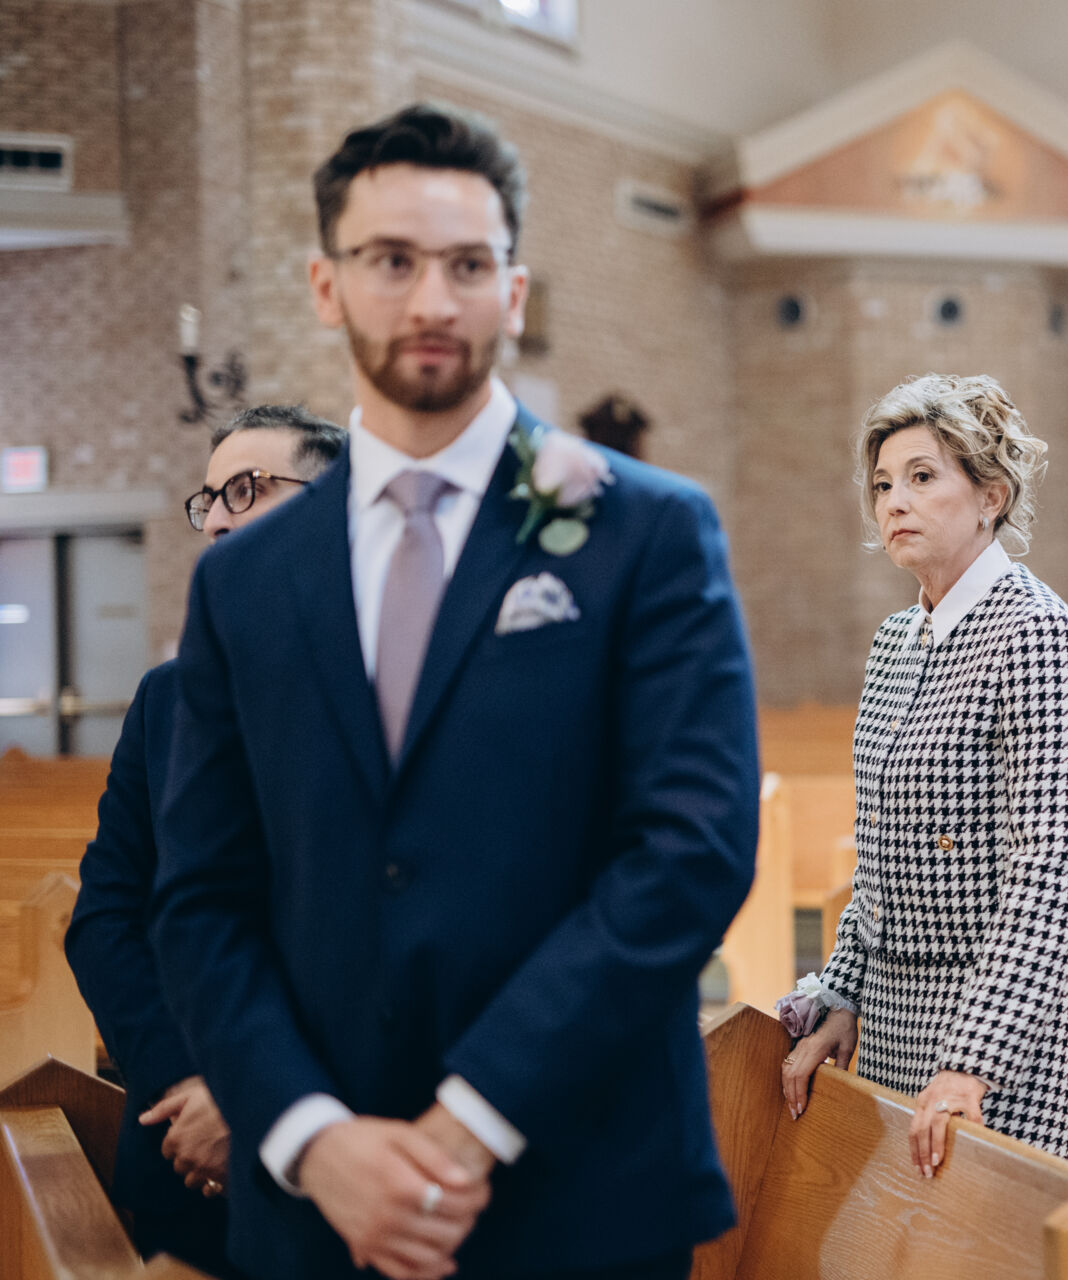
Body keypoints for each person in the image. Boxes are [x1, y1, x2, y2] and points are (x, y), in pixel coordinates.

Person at [149, 102, 758, 1280]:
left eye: (468, 265)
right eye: (391, 260)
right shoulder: (245, 580)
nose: (432, 299)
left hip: (579, 1192)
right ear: (326, 285)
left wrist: (471, 1117)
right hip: (316, 1218)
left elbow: (691, 849)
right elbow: (202, 895)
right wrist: (311, 1136)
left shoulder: (647, 531)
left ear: (513, 293)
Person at [776, 373, 1068, 1175]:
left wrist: (974, 1061)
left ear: (991, 496)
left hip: (998, 1031)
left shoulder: (1038, 636)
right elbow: (878, 854)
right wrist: (842, 993)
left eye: (923, 477)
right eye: (883, 484)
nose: (895, 502)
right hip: (893, 1016)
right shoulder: (895, 642)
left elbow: (1054, 876)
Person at [66, 403, 346, 1278]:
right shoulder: (167, 699)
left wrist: (264, 1099)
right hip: (184, 1154)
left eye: (248, 489)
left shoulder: (397, 696)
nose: (218, 518)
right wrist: (192, 1084)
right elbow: (106, 919)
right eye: (210, 498)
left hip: (350, 1159)